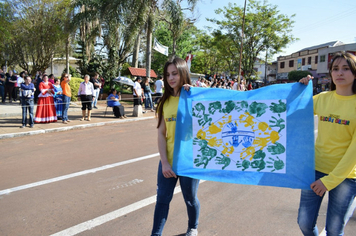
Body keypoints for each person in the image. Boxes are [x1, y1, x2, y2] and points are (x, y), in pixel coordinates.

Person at [298, 52, 356, 236]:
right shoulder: (322, 98)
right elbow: (292, 108)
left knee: (334, 230)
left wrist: (329, 181)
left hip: (346, 176)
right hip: (315, 169)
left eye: (346, 69)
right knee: (304, 223)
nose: (340, 73)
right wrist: (299, 89)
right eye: (335, 69)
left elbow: (354, 153)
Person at [151, 57, 200, 236]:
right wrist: (164, 163)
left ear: (183, 73)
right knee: (162, 200)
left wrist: (194, 94)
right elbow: (161, 134)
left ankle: (193, 228)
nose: (171, 78)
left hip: (189, 160)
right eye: (168, 75)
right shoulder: (164, 102)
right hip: (168, 161)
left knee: (190, 199)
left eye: (175, 73)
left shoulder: (195, 99)